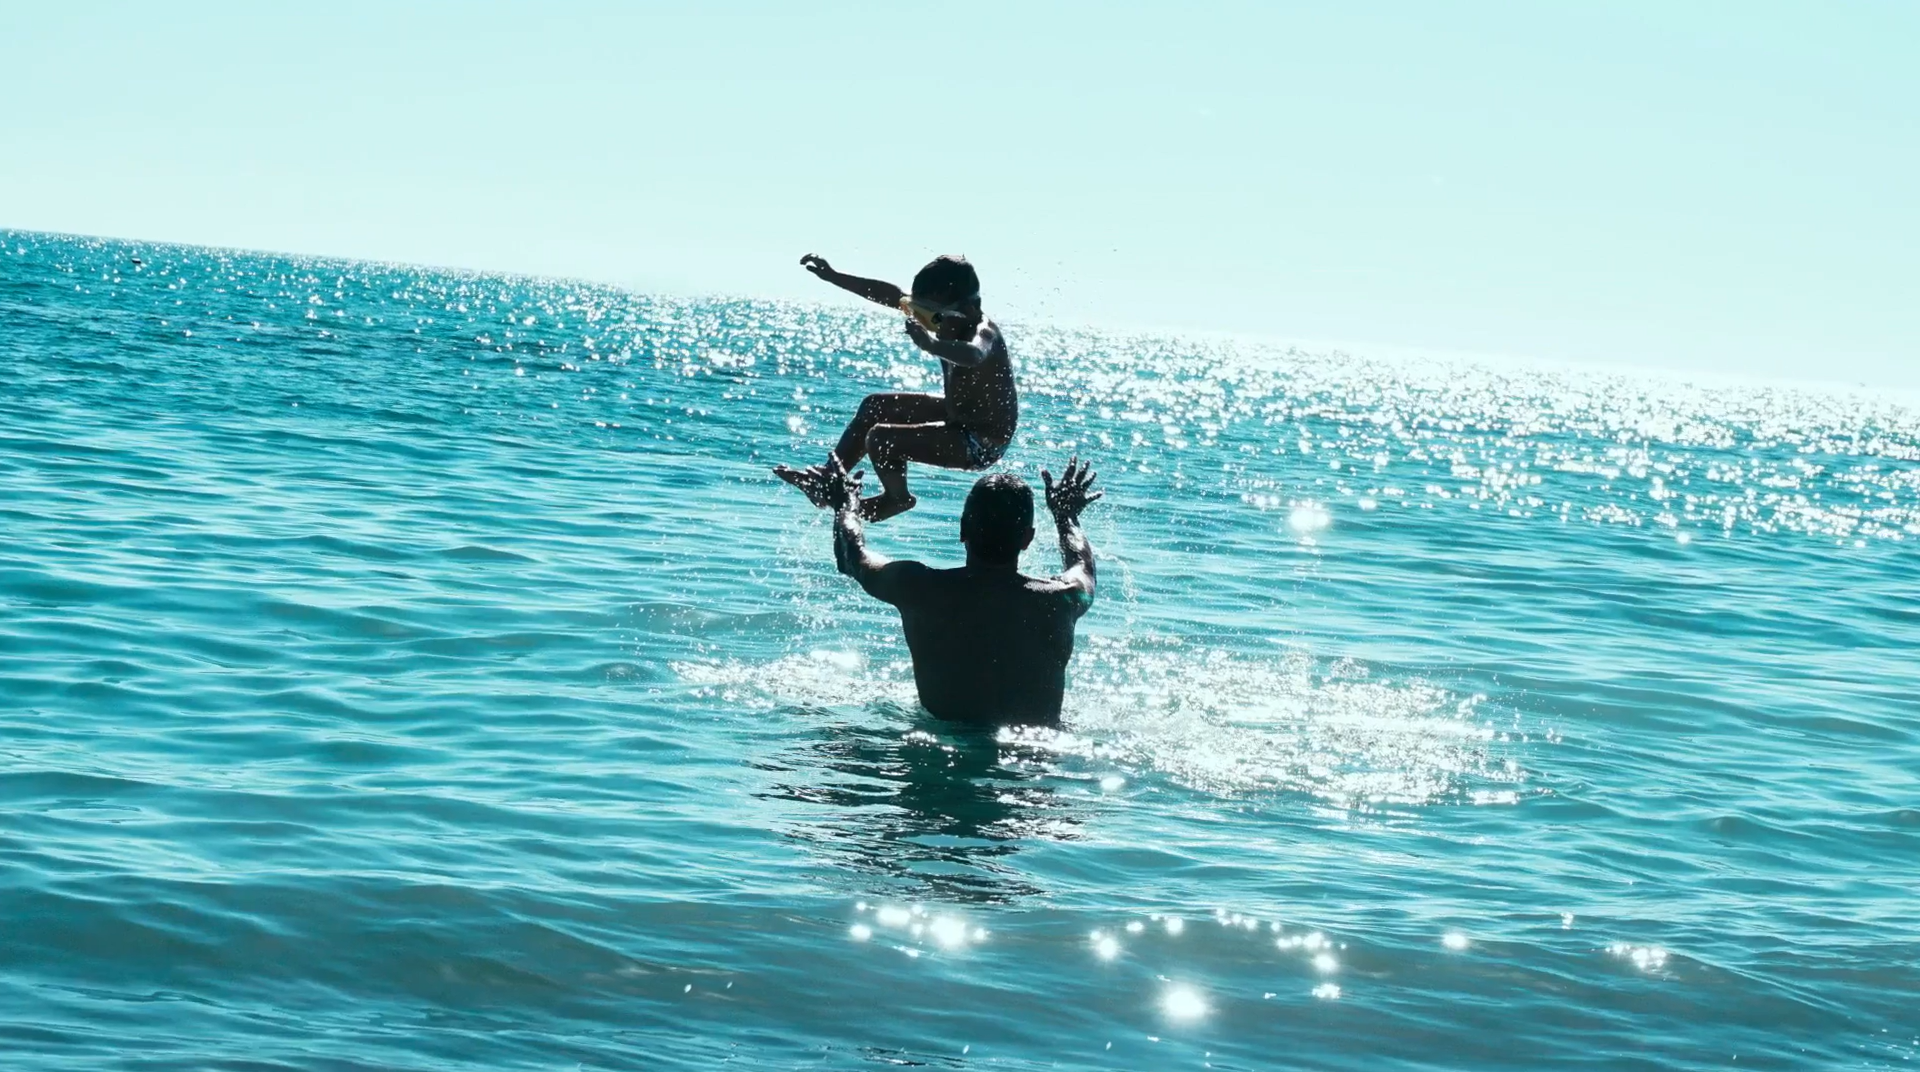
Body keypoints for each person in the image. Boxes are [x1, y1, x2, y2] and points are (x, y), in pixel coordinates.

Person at [782, 455, 1102, 726]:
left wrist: (845, 503)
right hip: (1034, 762)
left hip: (939, 754)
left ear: (963, 529)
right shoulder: (1063, 599)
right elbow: (1083, 564)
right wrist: (1066, 516)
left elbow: (852, 556)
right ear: (1027, 539)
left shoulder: (918, 587)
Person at [774, 253, 1018, 522]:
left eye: (934, 318)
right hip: (956, 416)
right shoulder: (952, 317)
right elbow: (890, 295)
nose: (928, 325)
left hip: (981, 443)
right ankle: (829, 478)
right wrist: (834, 277)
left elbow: (974, 355)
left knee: (881, 438)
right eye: (921, 314)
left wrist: (932, 345)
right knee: (874, 406)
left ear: (970, 309)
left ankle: (896, 498)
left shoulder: (983, 332)